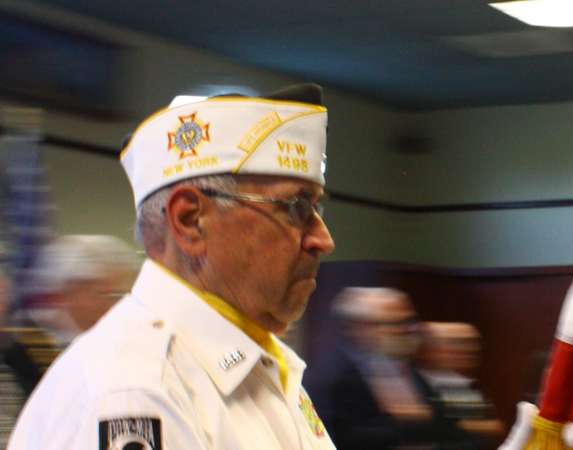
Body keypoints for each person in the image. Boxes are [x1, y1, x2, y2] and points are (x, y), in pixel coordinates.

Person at [7, 83, 337, 449]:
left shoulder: (251, 366)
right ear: (191, 220)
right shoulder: (136, 390)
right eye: (296, 207)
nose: (322, 239)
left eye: (316, 209)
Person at [306, 287, 448, 450]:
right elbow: (333, 436)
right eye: (396, 323)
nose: (406, 331)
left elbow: (443, 424)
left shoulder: (413, 373)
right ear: (362, 327)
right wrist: (406, 424)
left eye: (409, 322)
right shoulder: (329, 377)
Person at [3, 234, 139, 395]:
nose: (112, 306)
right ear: (68, 291)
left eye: (121, 296)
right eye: (103, 294)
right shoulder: (24, 354)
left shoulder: (120, 347)